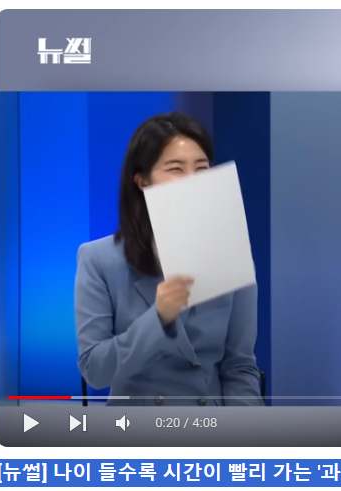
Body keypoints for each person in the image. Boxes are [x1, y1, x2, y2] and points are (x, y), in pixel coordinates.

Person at [74, 111, 264, 406]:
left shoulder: (230, 255)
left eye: (202, 168)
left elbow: (239, 368)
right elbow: (95, 371)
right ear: (142, 181)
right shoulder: (98, 259)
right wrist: (158, 318)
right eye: (176, 169)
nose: (193, 180)